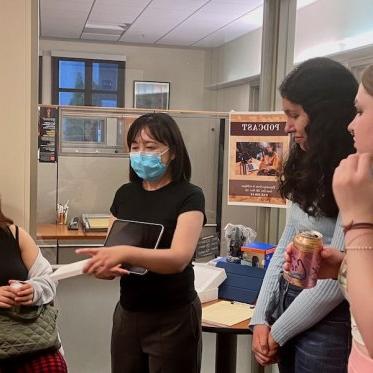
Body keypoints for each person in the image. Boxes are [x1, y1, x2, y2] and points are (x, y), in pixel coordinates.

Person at [249, 57, 358, 372]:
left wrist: (277, 331)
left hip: (327, 320)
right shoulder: (309, 161)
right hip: (287, 304)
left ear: (325, 116)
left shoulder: (355, 174)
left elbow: (333, 281)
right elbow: (288, 240)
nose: (288, 126)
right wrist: (261, 318)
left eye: (295, 115)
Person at [77, 113, 206, 373]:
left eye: (150, 147)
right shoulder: (125, 194)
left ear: (173, 152)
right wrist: (102, 268)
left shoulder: (190, 195)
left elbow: (178, 258)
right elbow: (113, 254)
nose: (140, 153)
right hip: (129, 313)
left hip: (173, 317)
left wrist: (125, 252)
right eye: (135, 147)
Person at [284, 64, 373, 372]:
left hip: (332, 328)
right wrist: (343, 268)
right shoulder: (312, 167)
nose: (351, 125)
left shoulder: (357, 184)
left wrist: (358, 221)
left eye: (360, 112)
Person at [0, 201, 67, 372]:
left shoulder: (15, 234)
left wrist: (33, 290)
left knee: (52, 367)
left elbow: (49, 278)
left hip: (25, 335)